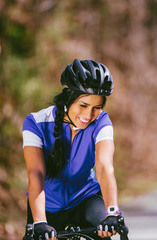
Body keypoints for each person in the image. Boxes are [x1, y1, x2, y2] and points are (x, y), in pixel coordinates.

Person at [22, 59, 126, 240]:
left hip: (85, 199)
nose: (88, 115)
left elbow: (104, 167)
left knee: (102, 227)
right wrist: (39, 221)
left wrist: (112, 212)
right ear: (68, 99)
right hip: (47, 206)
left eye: (96, 108)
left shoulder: (101, 122)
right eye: (83, 106)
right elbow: (35, 173)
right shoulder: (35, 122)